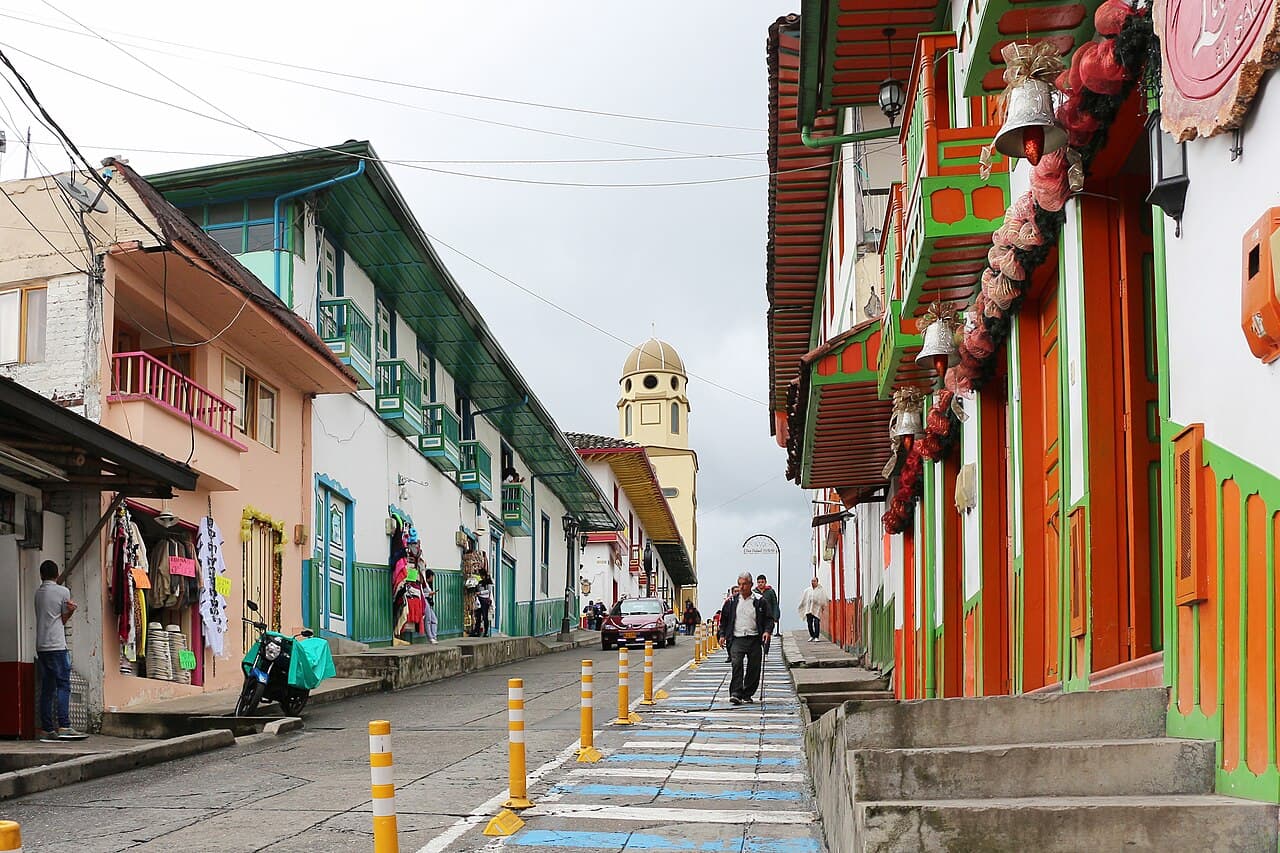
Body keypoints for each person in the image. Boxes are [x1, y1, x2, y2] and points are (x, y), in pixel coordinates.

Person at [35, 560, 84, 741]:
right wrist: (71, 611)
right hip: (56, 645)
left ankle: (47, 729)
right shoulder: (63, 592)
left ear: (41, 575)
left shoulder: (38, 593)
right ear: (57, 575)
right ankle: (64, 725)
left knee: (47, 688)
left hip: (41, 646)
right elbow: (62, 619)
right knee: (63, 685)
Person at [716, 572, 775, 705]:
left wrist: (767, 631)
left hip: (754, 638)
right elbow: (724, 620)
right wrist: (722, 635)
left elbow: (769, 618)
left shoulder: (759, 601)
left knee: (754, 667)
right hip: (737, 638)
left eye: (744, 584)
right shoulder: (731, 602)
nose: (741, 587)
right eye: (739, 584)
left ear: (751, 585)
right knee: (736, 664)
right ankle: (736, 693)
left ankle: (747, 693)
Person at [755, 575, 781, 656]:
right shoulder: (754, 593)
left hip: (768, 617)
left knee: (767, 634)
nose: (760, 584)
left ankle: (766, 652)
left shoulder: (770, 592)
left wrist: (776, 616)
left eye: (762, 582)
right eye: (759, 582)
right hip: (758, 618)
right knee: (758, 636)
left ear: (765, 582)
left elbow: (775, 604)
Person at [798, 577, 830, 642]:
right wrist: (802, 605)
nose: (813, 582)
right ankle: (812, 635)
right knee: (809, 623)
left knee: (816, 623)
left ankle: (816, 636)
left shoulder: (821, 590)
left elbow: (824, 598)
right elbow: (804, 599)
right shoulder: (807, 590)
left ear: (817, 582)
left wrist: (821, 606)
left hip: (817, 609)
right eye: (812, 581)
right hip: (808, 608)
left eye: (814, 581)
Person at [474, 569, 494, 636]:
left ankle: (486, 632)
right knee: (478, 616)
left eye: (482, 575)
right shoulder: (480, 582)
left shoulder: (488, 582)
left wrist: (480, 592)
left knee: (485, 616)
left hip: (485, 600)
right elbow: (477, 589)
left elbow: (488, 591)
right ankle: (477, 631)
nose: (481, 576)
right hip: (479, 600)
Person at [423, 569, 439, 644]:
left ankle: (434, 637)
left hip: (428, 602)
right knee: (428, 620)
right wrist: (429, 594)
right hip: (424, 601)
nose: (432, 578)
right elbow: (421, 594)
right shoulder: (423, 584)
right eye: (432, 576)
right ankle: (430, 637)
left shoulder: (428, 584)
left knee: (434, 620)